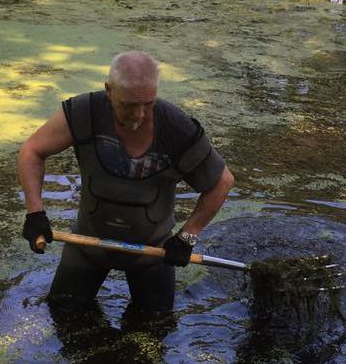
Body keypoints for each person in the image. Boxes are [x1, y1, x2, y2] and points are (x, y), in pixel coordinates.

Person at [18, 51, 235, 316]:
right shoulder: (84, 113)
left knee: (154, 328)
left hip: (152, 254)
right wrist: (35, 214)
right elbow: (32, 151)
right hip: (86, 245)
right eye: (130, 105)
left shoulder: (176, 128)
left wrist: (187, 236)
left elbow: (222, 182)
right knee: (63, 315)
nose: (139, 114)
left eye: (148, 104)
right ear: (109, 91)